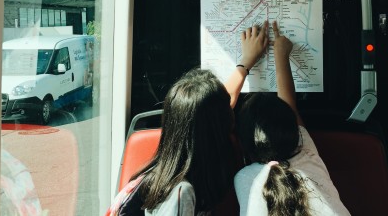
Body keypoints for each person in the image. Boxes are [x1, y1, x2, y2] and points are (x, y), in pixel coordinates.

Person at [107, 21, 269, 215]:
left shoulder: (164, 174)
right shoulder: (181, 193)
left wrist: (246, 63)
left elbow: (208, 111)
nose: (231, 112)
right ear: (219, 128)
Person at [234, 21, 351, 216]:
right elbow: (289, 107)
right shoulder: (308, 156)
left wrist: (246, 61)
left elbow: (289, 110)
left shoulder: (245, 179)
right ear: (294, 133)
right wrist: (281, 54)